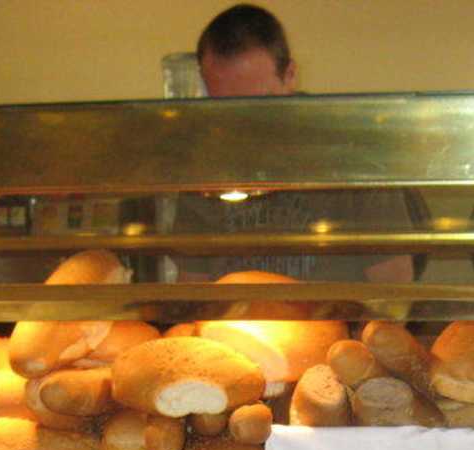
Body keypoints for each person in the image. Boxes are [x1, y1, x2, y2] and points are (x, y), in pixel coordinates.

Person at [171, 4, 415, 283]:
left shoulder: (351, 151)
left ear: (289, 75)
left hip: (336, 312)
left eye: (257, 105)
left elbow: (393, 288)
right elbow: (192, 288)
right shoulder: (204, 163)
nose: (244, 123)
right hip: (228, 313)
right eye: (225, 107)